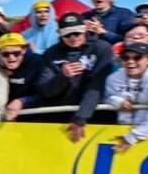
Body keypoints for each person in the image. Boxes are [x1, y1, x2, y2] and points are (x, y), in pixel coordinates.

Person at [37, 13, 115, 141]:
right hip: (59, 118)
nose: (73, 38)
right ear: (60, 34)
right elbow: (45, 90)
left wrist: (81, 117)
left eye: (77, 33)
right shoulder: (51, 53)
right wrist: (62, 76)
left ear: (84, 30)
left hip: (95, 115)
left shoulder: (101, 48)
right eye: (67, 34)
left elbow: (97, 85)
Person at [104, 42, 148, 152]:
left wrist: (133, 137)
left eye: (137, 57)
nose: (130, 61)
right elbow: (106, 97)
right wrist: (116, 101)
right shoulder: (113, 78)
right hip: (122, 130)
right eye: (125, 57)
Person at [0, 32, 47, 120]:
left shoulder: (39, 62)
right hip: (5, 117)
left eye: (16, 53)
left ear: (24, 50)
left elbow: (45, 94)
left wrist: (22, 101)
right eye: (5, 54)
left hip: (35, 118)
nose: (11, 58)